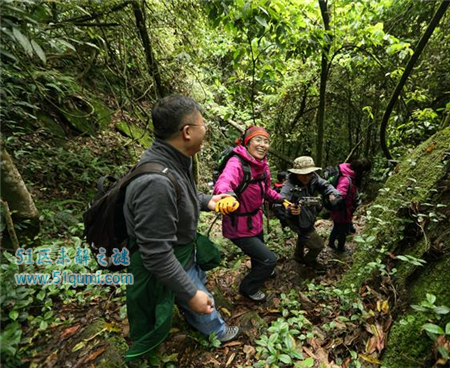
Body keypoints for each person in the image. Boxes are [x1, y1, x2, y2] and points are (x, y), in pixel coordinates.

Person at [123, 95, 241, 361]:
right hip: (168, 257)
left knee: (195, 288)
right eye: (202, 125)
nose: (205, 130)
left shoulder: (175, 158)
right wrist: (190, 293)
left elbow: (181, 194)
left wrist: (207, 200)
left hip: (181, 249)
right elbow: (155, 254)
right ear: (187, 132)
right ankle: (216, 331)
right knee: (195, 298)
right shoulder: (156, 183)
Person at [213, 126, 286, 302]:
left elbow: (266, 190)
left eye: (266, 141)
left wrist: (282, 199)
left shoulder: (263, 164)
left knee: (259, 257)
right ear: (247, 142)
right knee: (269, 260)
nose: (263, 145)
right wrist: (226, 196)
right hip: (238, 226)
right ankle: (248, 288)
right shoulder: (237, 163)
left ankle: (261, 271)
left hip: (255, 221)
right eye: (258, 140)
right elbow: (225, 182)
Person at [277, 156, 340, 271]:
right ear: (296, 173)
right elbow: (279, 203)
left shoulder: (313, 176)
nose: (307, 177)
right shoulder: (289, 186)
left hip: (309, 214)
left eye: (309, 173)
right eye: (303, 174)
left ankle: (298, 256)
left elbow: (324, 184)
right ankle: (309, 261)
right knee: (318, 245)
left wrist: (332, 193)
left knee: (303, 236)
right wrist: (290, 209)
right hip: (298, 220)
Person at [328, 158, 372, 253]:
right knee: (342, 231)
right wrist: (339, 197)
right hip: (342, 210)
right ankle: (340, 249)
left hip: (342, 209)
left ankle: (331, 243)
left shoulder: (348, 174)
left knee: (336, 228)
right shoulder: (346, 179)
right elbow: (340, 193)